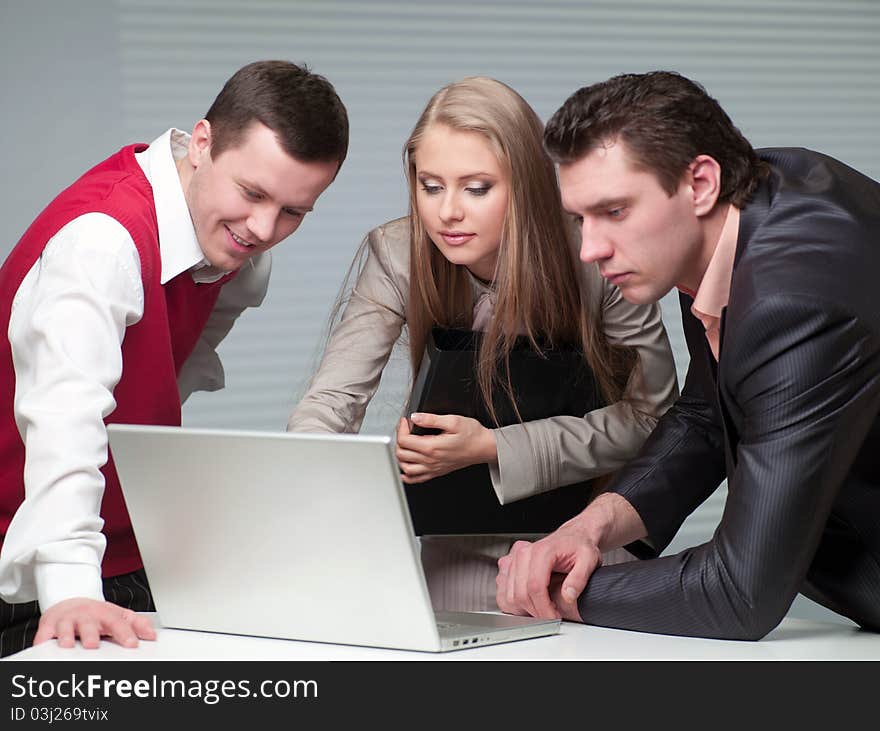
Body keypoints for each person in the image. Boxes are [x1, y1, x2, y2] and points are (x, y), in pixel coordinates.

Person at [496, 70, 880, 640]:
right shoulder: (740, 211)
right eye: (581, 219)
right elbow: (708, 411)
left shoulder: (796, 299)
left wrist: (561, 589)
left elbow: (739, 593)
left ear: (700, 181)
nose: (590, 249)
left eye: (616, 211)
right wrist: (590, 527)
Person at [288, 76, 678, 611]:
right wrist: (297, 488)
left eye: (476, 188)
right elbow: (332, 404)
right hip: (454, 546)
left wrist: (493, 447)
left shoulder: (596, 255)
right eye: (430, 186)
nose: (447, 212)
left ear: (528, 184)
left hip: (585, 542)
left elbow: (653, 421)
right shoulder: (397, 253)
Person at [0, 60, 349, 656]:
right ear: (202, 143)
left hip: (123, 550)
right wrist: (69, 591)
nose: (264, 228)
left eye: (294, 212)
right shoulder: (101, 243)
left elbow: (169, 378)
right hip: (35, 560)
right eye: (253, 193)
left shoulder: (236, 247)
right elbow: (66, 424)